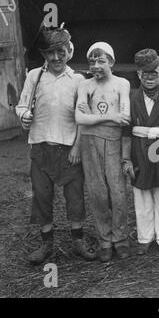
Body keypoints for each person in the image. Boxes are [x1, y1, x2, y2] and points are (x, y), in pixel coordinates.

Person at [15, 25, 96, 264]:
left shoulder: (78, 80)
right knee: (41, 195)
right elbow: (21, 106)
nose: (56, 57)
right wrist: (23, 116)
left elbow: (84, 118)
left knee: (74, 196)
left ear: (69, 51)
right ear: (43, 55)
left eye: (61, 51)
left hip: (69, 150)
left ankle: (78, 242)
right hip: (40, 147)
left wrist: (77, 148)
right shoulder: (34, 77)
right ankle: (46, 243)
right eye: (50, 53)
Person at [75, 42, 131, 262]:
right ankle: (105, 241)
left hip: (113, 142)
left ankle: (121, 239)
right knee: (97, 191)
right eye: (92, 61)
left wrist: (91, 115)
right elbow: (79, 119)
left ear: (112, 62)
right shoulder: (85, 85)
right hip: (89, 144)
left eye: (101, 61)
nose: (96, 66)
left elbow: (124, 117)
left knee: (117, 191)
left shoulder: (121, 84)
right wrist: (110, 117)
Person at [121, 49, 159, 256]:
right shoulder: (131, 99)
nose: (150, 77)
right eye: (145, 74)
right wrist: (126, 159)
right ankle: (144, 237)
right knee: (142, 195)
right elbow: (126, 133)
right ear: (138, 75)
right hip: (139, 151)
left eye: (154, 73)